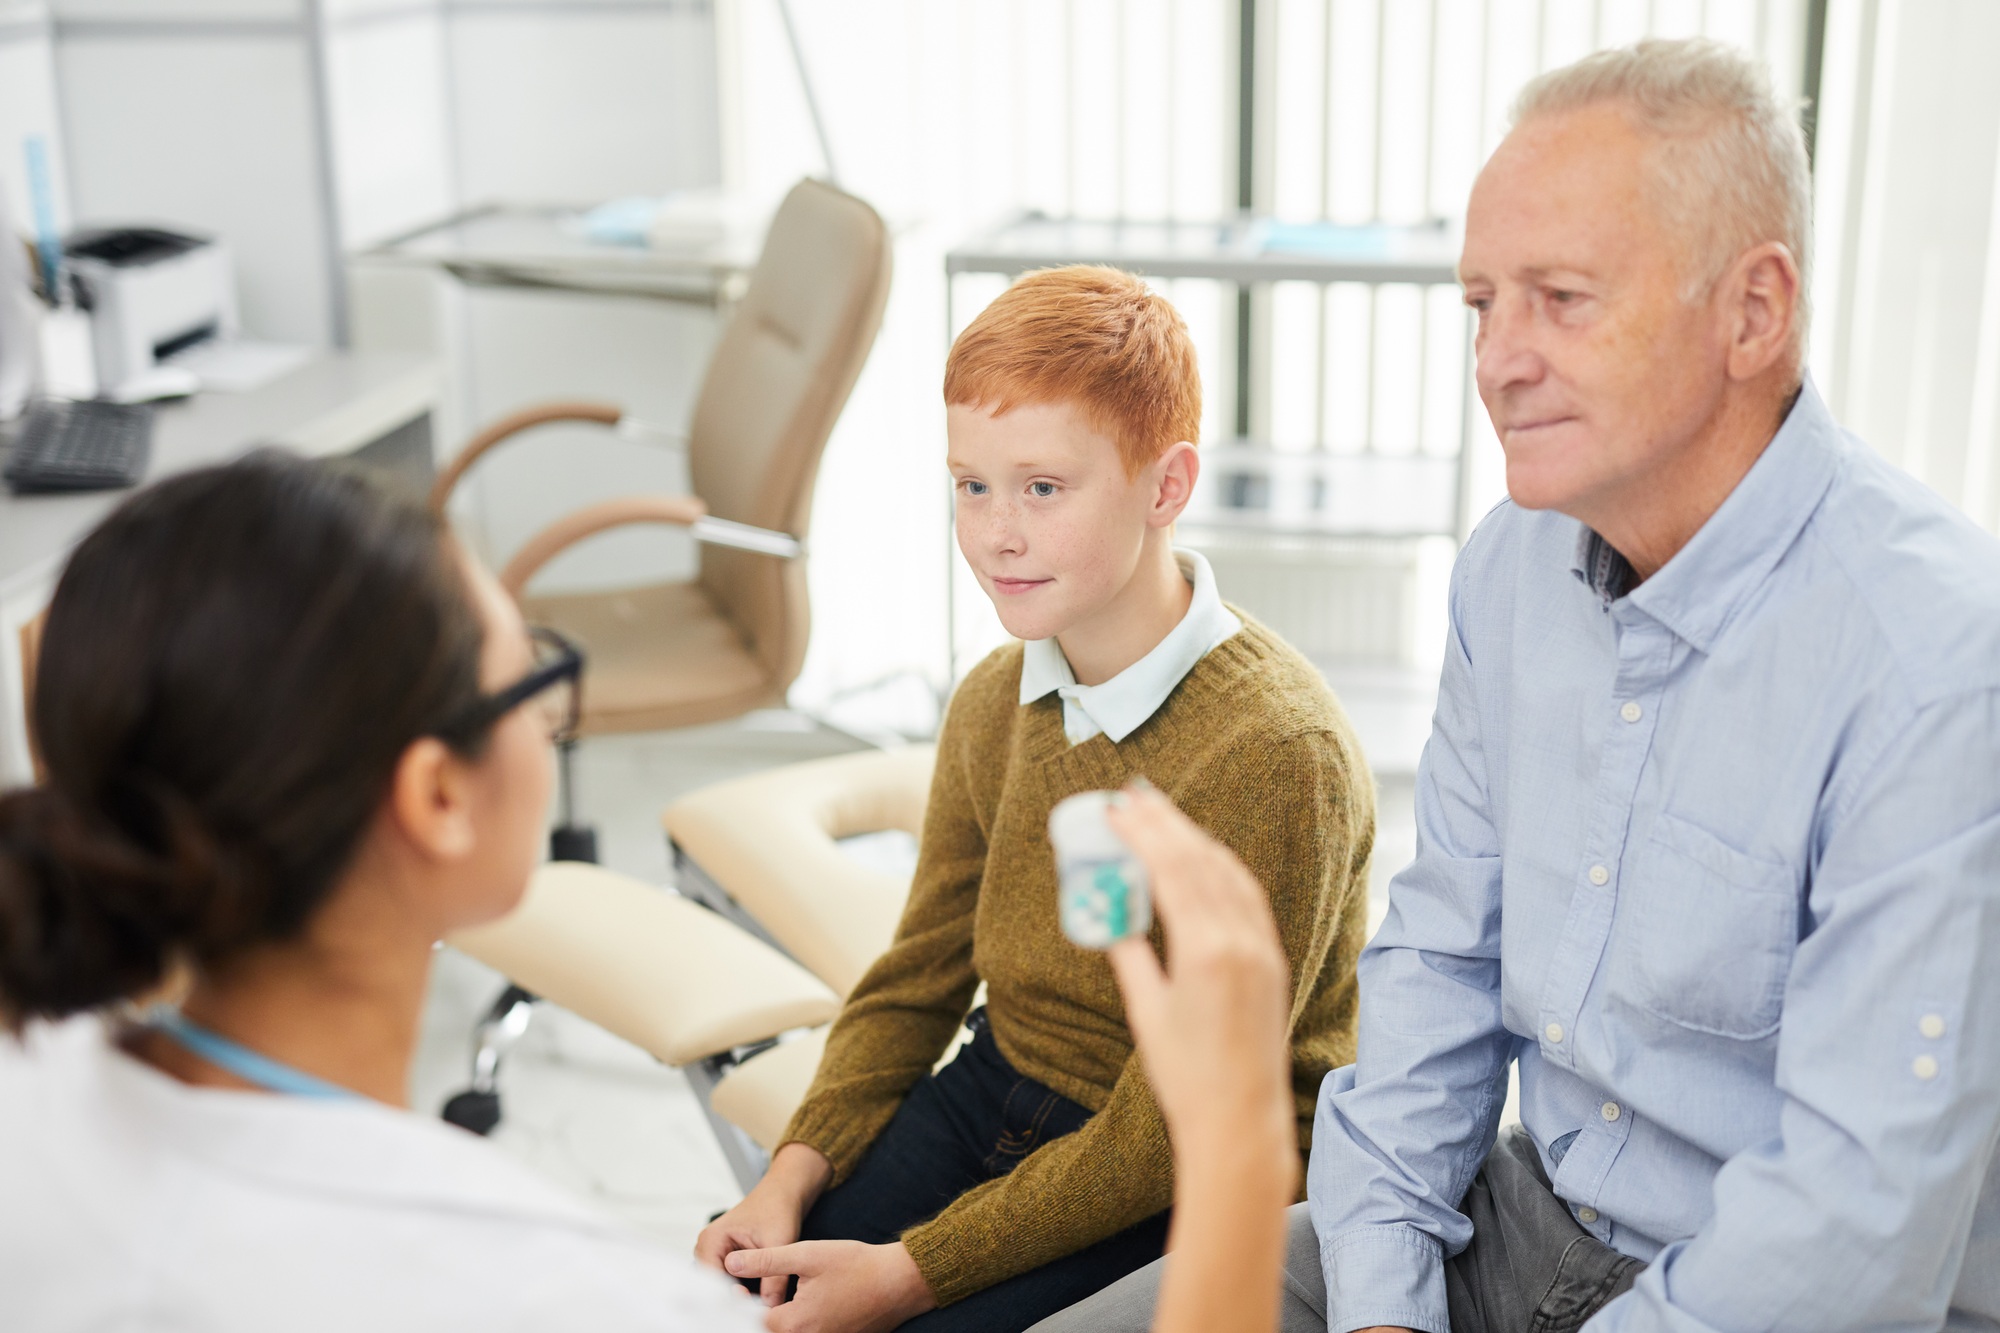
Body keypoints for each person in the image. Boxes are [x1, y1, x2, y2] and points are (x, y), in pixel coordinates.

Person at [1033, 36, 2000, 1333]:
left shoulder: (1937, 657)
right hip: (1524, 1217)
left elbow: (1853, 1229)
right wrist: (1383, 1305)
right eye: (1483, 303)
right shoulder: (1514, 567)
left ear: (1754, 312)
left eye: (1561, 297)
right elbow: (1439, 959)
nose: (1498, 359)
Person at [696, 265, 1376, 1333]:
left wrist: (910, 1270)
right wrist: (786, 1176)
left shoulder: (1278, 753)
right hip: (999, 1083)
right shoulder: (995, 696)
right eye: (970, 486)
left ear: (1164, 485)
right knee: (739, 1305)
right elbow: (914, 977)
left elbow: (1165, 1129)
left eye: (1041, 489)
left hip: (1181, 1152)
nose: (993, 533)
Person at [0, 455, 761, 1332]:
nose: (546, 725)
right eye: (529, 680)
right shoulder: (579, 1298)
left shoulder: (33, 1083)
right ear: (438, 796)